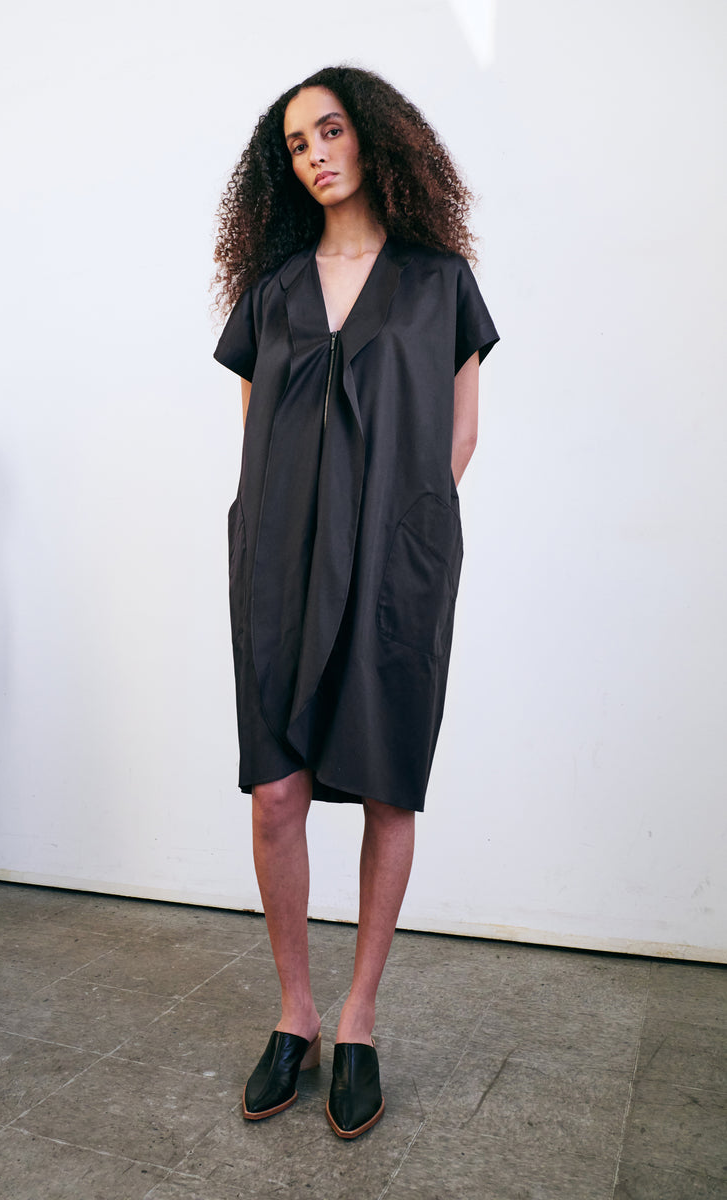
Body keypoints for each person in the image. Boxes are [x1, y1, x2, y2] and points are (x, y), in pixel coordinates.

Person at [213, 65, 498, 1139]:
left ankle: (360, 1016)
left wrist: (395, 534)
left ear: (375, 137)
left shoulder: (438, 281)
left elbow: (460, 433)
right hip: (277, 566)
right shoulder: (275, 291)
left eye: (330, 130)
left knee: (387, 787)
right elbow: (256, 437)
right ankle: (295, 1012)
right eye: (296, 143)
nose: (316, 153)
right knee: (276, 794)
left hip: (397, 566)